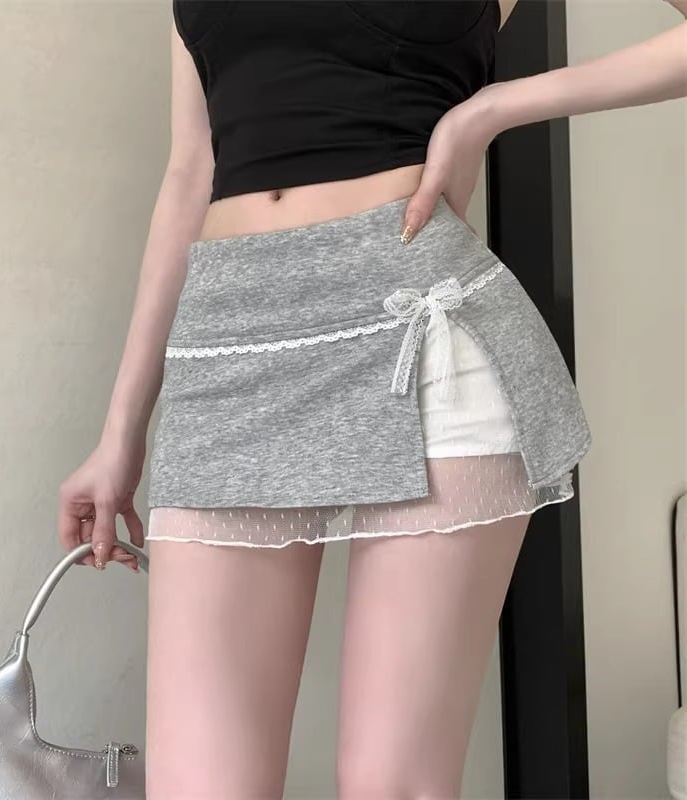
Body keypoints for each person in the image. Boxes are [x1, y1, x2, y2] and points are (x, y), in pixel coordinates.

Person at [57, 1, 687, 796]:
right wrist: (122, 432)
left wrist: (493, 108)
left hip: (422, 334)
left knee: (391, 786)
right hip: (228, 354)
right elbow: (191, 169)